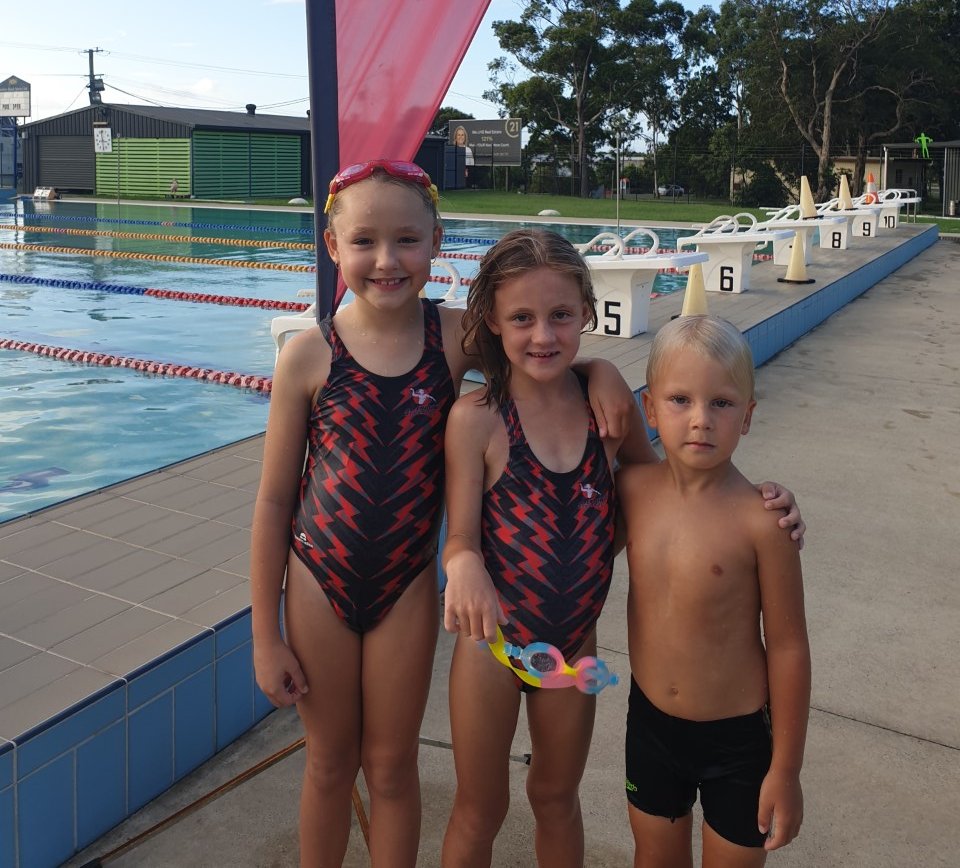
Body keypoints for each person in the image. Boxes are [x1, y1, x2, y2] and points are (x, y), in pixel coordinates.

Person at [250, 162, 640, 867]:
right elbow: (276, 500)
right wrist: (263, 633)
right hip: (315, 580)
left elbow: (537, 346)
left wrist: (601, 371)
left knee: (393, 768)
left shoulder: (455, 337)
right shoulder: (310, 355)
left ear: (436, 240)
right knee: (330, 766)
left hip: (403, 589)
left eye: (407, 239)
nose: (387, 260)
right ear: (333, 246)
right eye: (364, 241)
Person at [440, 231, 803, 868]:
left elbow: (669, 488)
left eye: (560, 315)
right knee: (480, 807)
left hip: (572, 646)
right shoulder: (477, 419)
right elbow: (463, 536)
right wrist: (461, 561)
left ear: (587, 310)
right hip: (491, 647)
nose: (543, 334)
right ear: (493, 322)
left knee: (556, 796)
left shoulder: (604, 410)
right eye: (521, 318)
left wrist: (770, 507)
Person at [618, 315, 811, 868]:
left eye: (722, 404)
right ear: (650, 409)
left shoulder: (762, 522)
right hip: (650, 725)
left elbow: (790, 647)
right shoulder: (631, 490)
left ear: (747, 417)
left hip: (740, 741)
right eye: (680, 400)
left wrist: (786, 769)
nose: (701, 420)